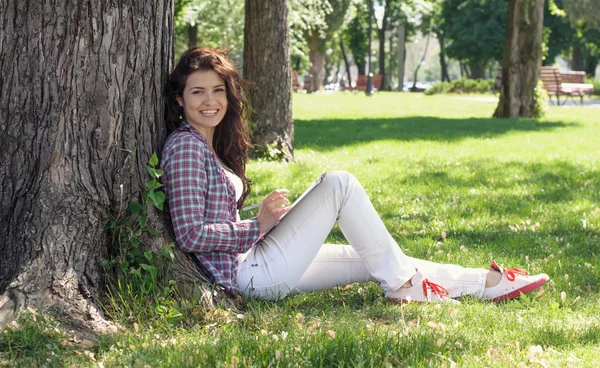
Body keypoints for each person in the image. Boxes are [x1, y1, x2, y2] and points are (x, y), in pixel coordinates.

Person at [161, 47, 549, 303]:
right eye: (197, 93)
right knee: (340, 184)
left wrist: (265, 224)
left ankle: (487, 283)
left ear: (228, 95)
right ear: (180, 99)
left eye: (217, 90)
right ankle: (403, 288)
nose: (210, 101)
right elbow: (190, 233)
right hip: (248, 275)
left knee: (374, 258)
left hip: (253, 260)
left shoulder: (206, 144)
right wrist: (257, 225)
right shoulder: (185, 148)